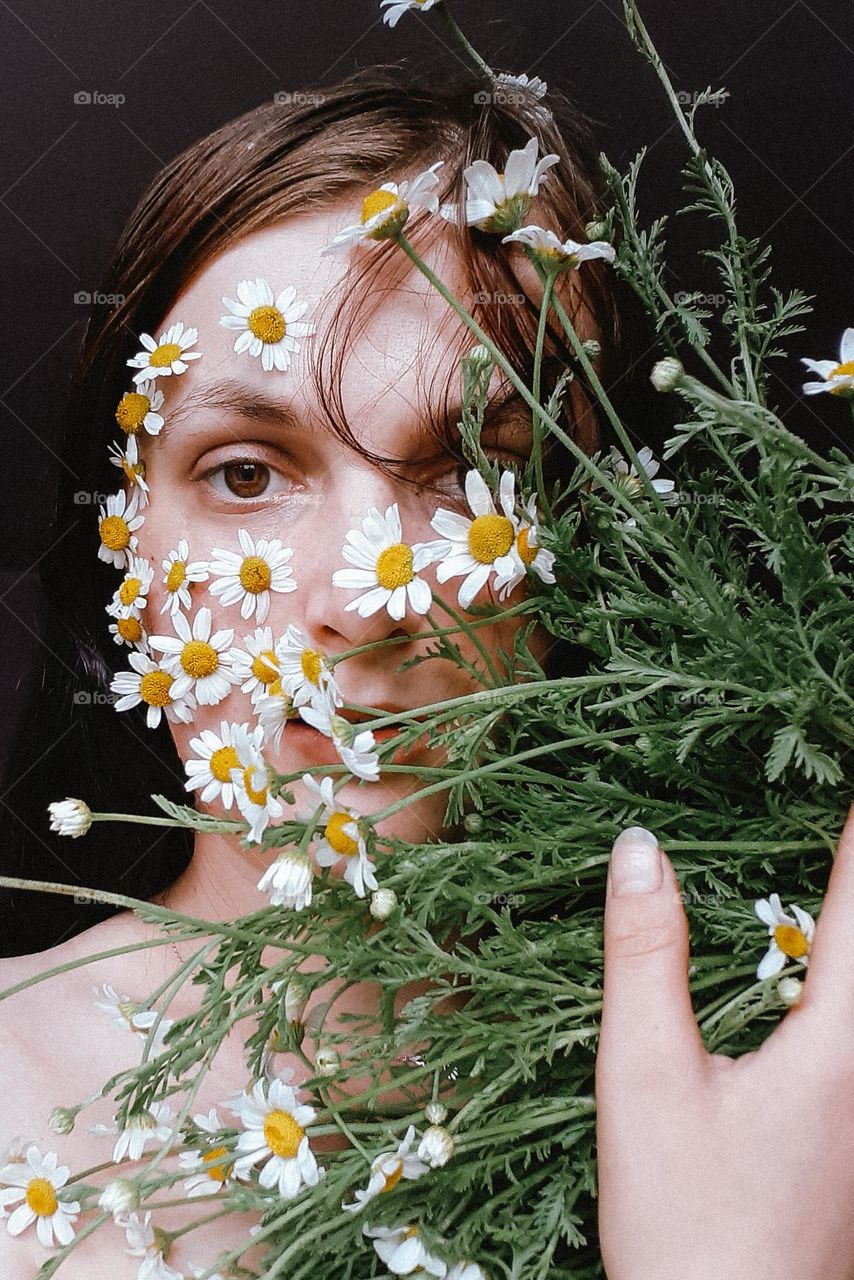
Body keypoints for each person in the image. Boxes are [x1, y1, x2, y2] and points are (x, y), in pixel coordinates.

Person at [2, 62, 852, 1280]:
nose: (360, 599)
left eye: (470, 472)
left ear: (593, 541)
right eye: (246, 471)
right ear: (125, 541)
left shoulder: (788, 1097)